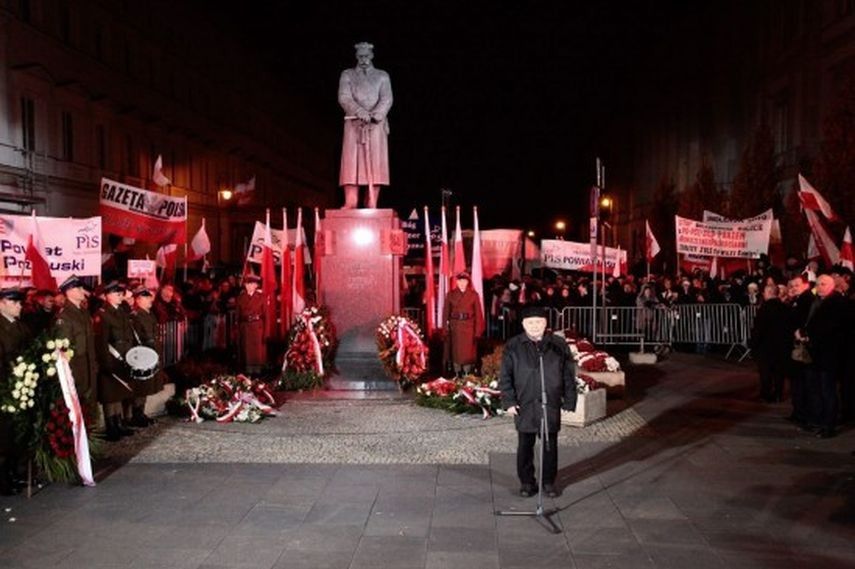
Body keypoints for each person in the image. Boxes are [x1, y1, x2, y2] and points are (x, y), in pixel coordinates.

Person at [499, 305, 577, 498]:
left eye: (539, 322)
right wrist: (509, 400)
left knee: (550, 445)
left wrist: (569, 399)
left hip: (549, 402)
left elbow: (568, 374)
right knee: (525, 445)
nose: (535, 326)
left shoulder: (557, 345)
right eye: (531, 322)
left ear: (545, 324)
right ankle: (527, 482)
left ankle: (548, 481)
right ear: (524, 324)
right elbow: (505, 376)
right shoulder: (514, 345)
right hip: (524, 403)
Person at [338, 41, 393, 209]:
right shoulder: (347, 74)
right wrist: (358, 110)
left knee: (376, 163)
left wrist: (377, 114)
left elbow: (387, 98)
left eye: (367, 56)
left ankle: (372, 200)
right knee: (351, 161)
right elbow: (344, 96)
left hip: (376, 125)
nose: (364, 59)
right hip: (354, 122)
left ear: (372, 56)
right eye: (360, 56)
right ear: (356, 57)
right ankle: (351, 200)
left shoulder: (382, 75)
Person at [797, 274, 847, 438]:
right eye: (818, 284)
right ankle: (819, 421)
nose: (819, 287)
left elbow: (831, 328)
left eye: (823, 284)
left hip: (828, 353)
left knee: (827, 390)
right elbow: (810, 321)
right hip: (815, 352)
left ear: (832, 285)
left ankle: (828, 424)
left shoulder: (836, 302)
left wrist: (810, 336)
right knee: (817, 388)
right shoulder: (816, 301)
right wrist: (803, 332)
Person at [94, 281, 137, 441]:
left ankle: (118, 422)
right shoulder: (102, 314)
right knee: (109, 394)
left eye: (120, 293)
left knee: (118, 392)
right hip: (111, 358)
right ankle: (110, 425)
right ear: (107, 295)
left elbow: (128, 335)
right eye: (117, 294)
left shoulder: (121, 312)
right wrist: (105, 363)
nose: (120, 296)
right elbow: (101, 341)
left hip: (123, 356)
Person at [0, 288, 32, 495]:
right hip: (5, 388)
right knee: (4, 436)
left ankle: (13, 473)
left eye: (20, 303)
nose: (20, 306)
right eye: (15, 302)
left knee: (17, 435)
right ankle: (2, 479)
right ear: (2, 303)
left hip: (21, 387)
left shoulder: (21, 326)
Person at [53, 275, 98, 412]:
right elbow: (64, 347)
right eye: (78, 288)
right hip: (76, 367)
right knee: (78, 404)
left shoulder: (83, 312)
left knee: (89, 403)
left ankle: (89, 431)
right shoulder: (64, 315)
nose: (82, 291)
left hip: (88, 364)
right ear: (69, 291)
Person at [129, 286, 165, 427]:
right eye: (146, 297)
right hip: (143, 353)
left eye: (150, 297)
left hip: (151, 352)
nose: (150, 299)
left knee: (147, 384)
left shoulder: (149, 314)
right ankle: (136, 414)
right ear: (138, 300)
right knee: (141, 385)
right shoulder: (136, 316)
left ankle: (141, 412)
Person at [750, 283, 791, 402]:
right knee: (779, 372)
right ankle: (778, 394)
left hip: (766, 346)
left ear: (768, 293)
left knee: (765, 372)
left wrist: (753, 343)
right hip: (781, 345)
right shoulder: (785, 307)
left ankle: (765, 394)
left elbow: (759, 328)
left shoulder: (764, 308)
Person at [442, 271, 483, 375]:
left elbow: (478, 314)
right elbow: (445, 313)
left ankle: (467, 373)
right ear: (457, 282)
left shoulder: (474, 295)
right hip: (455, 326)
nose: (462, 283)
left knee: (467, 352)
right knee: (456, 352)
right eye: (460, 281)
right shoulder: (450, 295)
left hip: (469, 327)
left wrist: (478, 331)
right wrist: (444, 328)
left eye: (464, 281)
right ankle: (456, 372)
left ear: (468, 282)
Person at [236, 275, 266, 375]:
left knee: (256, 349)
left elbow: (265, 314)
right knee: (246, 348)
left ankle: (257, 370)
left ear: (256, 285)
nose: (248, 286)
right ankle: (247, 370)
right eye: (247, 284)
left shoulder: (261, 297)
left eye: (251, 284)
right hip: (245, 326)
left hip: (256, 326)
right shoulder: (240, 298)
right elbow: (238, 315)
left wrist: (265, 330)